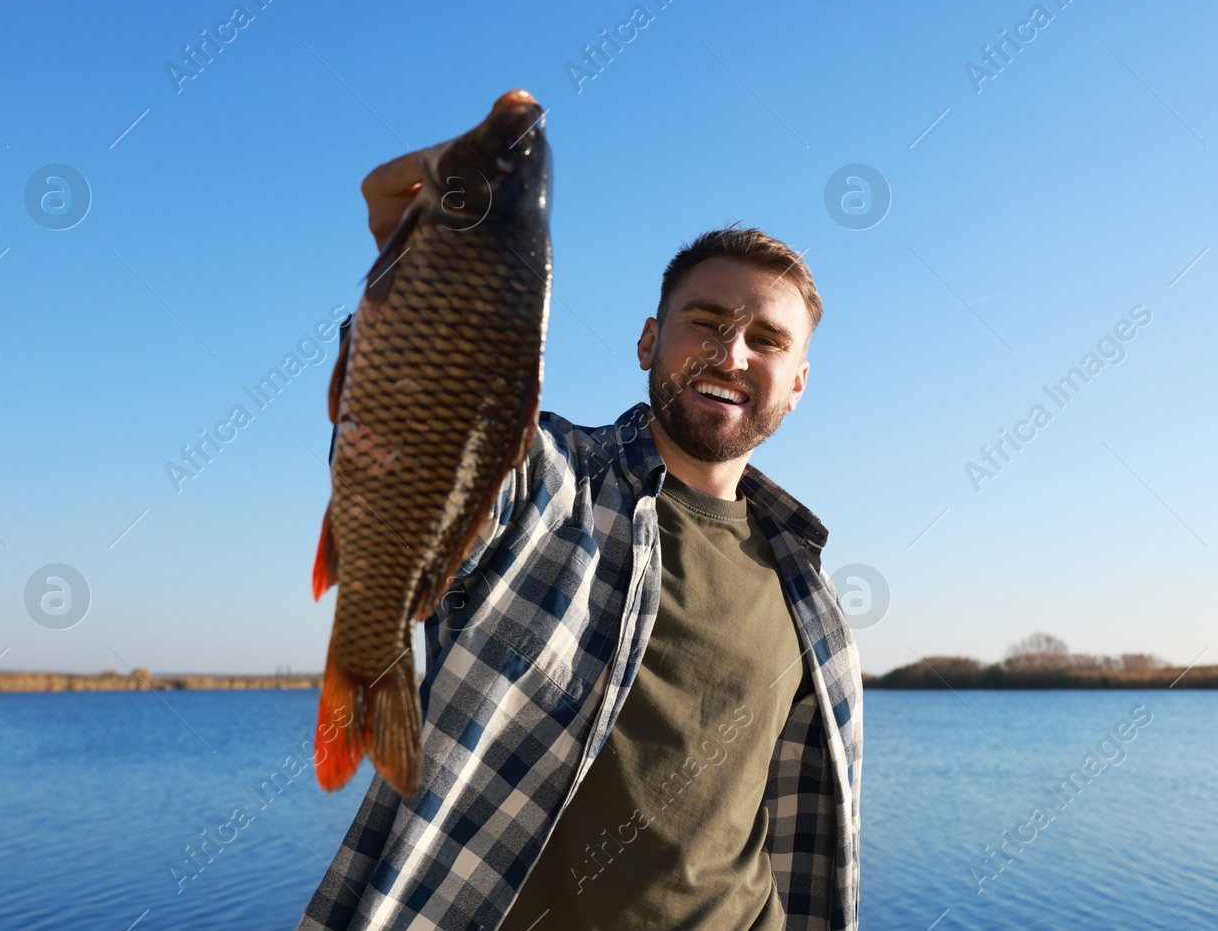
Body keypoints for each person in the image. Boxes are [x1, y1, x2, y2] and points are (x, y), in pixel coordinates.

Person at [297, 146, 862, 931]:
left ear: (797, 383)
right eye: (704, 322)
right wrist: (426, 275)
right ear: (646, 342)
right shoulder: (551, 482)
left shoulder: (809, 584)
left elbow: (796, 833)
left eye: (767, 340)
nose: (731, 353)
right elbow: (429, 447)